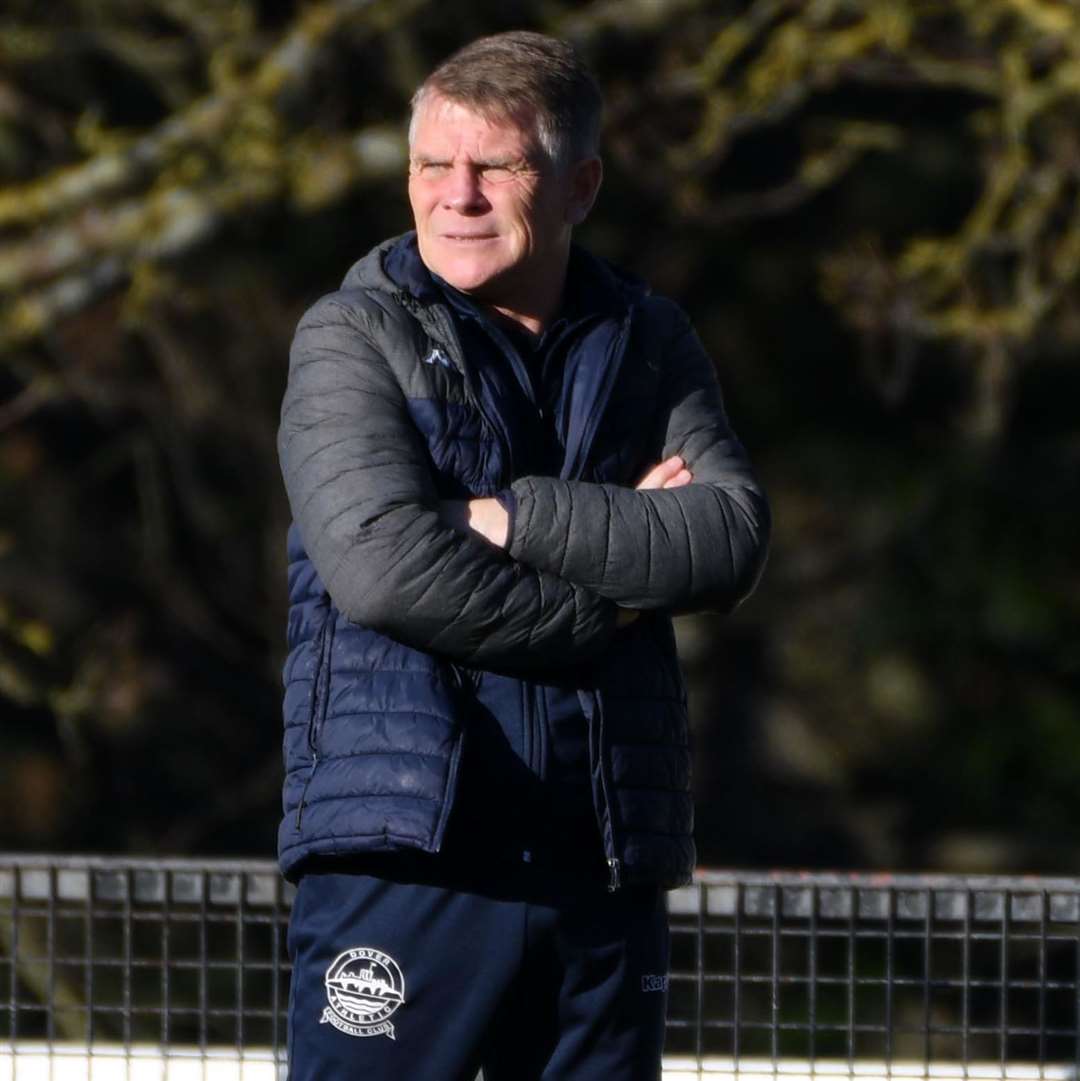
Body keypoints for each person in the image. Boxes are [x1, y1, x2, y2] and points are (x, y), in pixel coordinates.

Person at [277, 30, 769, 1081]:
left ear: (580, 183)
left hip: (603, 855)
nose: (456, 195)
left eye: (496, 165)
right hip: (410, 851)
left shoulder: (650, 338)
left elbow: (727, 538)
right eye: (430, 166)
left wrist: (513, 516)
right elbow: (384, 571)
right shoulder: (349, 337)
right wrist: (620, 596)